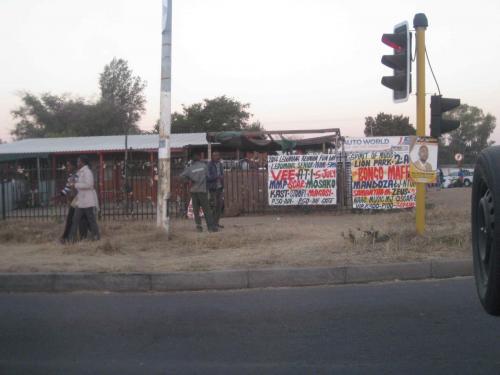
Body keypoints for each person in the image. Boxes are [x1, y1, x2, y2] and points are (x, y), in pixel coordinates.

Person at [180, 152, 217, 232]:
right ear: (199, 158)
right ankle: (210, 227)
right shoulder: (204, 166)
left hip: (193, 191)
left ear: (192, 159)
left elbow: (181, 176)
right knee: (206, 209)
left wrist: (189, 180)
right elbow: (208, 176)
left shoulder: (190, 168)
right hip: (202, 190)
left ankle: (199, 227)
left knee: (196, 210)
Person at [68, 156, 100, 242]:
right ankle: (71, 239)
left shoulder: (87, 172)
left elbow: (89, 185)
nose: (77, 163)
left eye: (78, 162)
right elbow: (74, 180)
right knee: (75, 220)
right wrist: (72, 181)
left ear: (83, 163)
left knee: (91, 220)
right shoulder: (80, 172)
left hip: (88, 201)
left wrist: (76, 185)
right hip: (81, 201)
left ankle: (96, 237)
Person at [60, 160, 88, 243]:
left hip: (79, 199)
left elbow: (78, 186)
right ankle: (73, 237)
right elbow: (67, 187)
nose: (67, 168)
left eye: (69, 166)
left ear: (73, 166)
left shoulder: (78, 175)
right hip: (75, 200)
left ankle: (68, 237)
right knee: (79, 218)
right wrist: (62, 193)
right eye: (67, 166)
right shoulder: (71, 176)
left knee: (77, 218)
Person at [207, 151, 224, 229]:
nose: (217, 157)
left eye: (217, 155)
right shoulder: (209, 165)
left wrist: (222, 178)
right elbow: (208, 177)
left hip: (219, 187)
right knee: (214, 205)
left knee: (219, 206)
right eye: (215, 155)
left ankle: (216, 223)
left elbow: (222, 174)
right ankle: (211, 223)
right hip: (213, 188)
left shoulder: (220, 164)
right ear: (212, 157)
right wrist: (216, 177)